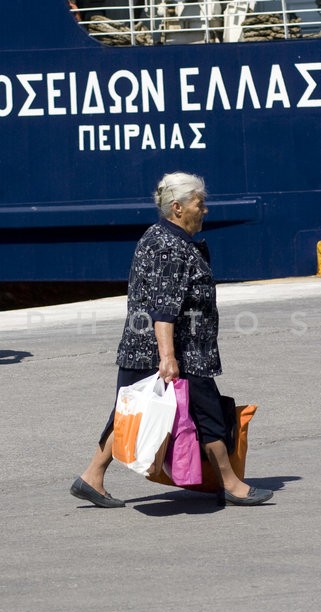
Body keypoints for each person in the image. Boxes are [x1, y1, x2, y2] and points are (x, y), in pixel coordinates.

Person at [71, 172, 273, 508]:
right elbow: (163, 310)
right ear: (177, 208)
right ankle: (231, 484)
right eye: (199, 203)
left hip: (143, 349)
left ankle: (92, 476)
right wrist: (168, 358)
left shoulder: (156, 236)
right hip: (179, 351)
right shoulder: (171, 246)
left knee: (127, 412)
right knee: (208, 414)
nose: (205, 209)